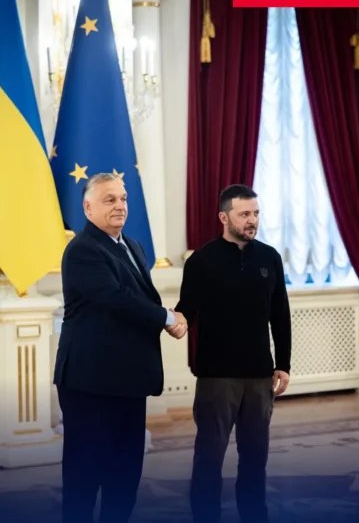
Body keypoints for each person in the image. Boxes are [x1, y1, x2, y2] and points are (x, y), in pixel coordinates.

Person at [53, 172, 187, 523]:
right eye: (109, 199)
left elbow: (139, 298)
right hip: (89, 382)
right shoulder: (82, 250)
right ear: (88, 208)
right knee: (85, 475)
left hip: (128, 379)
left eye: (123, 199)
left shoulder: (134, 245)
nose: (120, 206)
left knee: (125, 472)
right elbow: (117, 299)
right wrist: (167, 318)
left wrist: (167, 315)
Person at [173, 184, 292, 523]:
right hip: (216, 377)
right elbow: (186, 310)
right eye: (244, 214)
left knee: (255, 458)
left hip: (259, 377)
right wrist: (174, 322)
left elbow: (280, 314)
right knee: (209, 457)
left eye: (255, 213)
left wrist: (283, 364)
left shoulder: (270, 257)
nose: (252, 220)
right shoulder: (201, 261)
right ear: (224, 218)